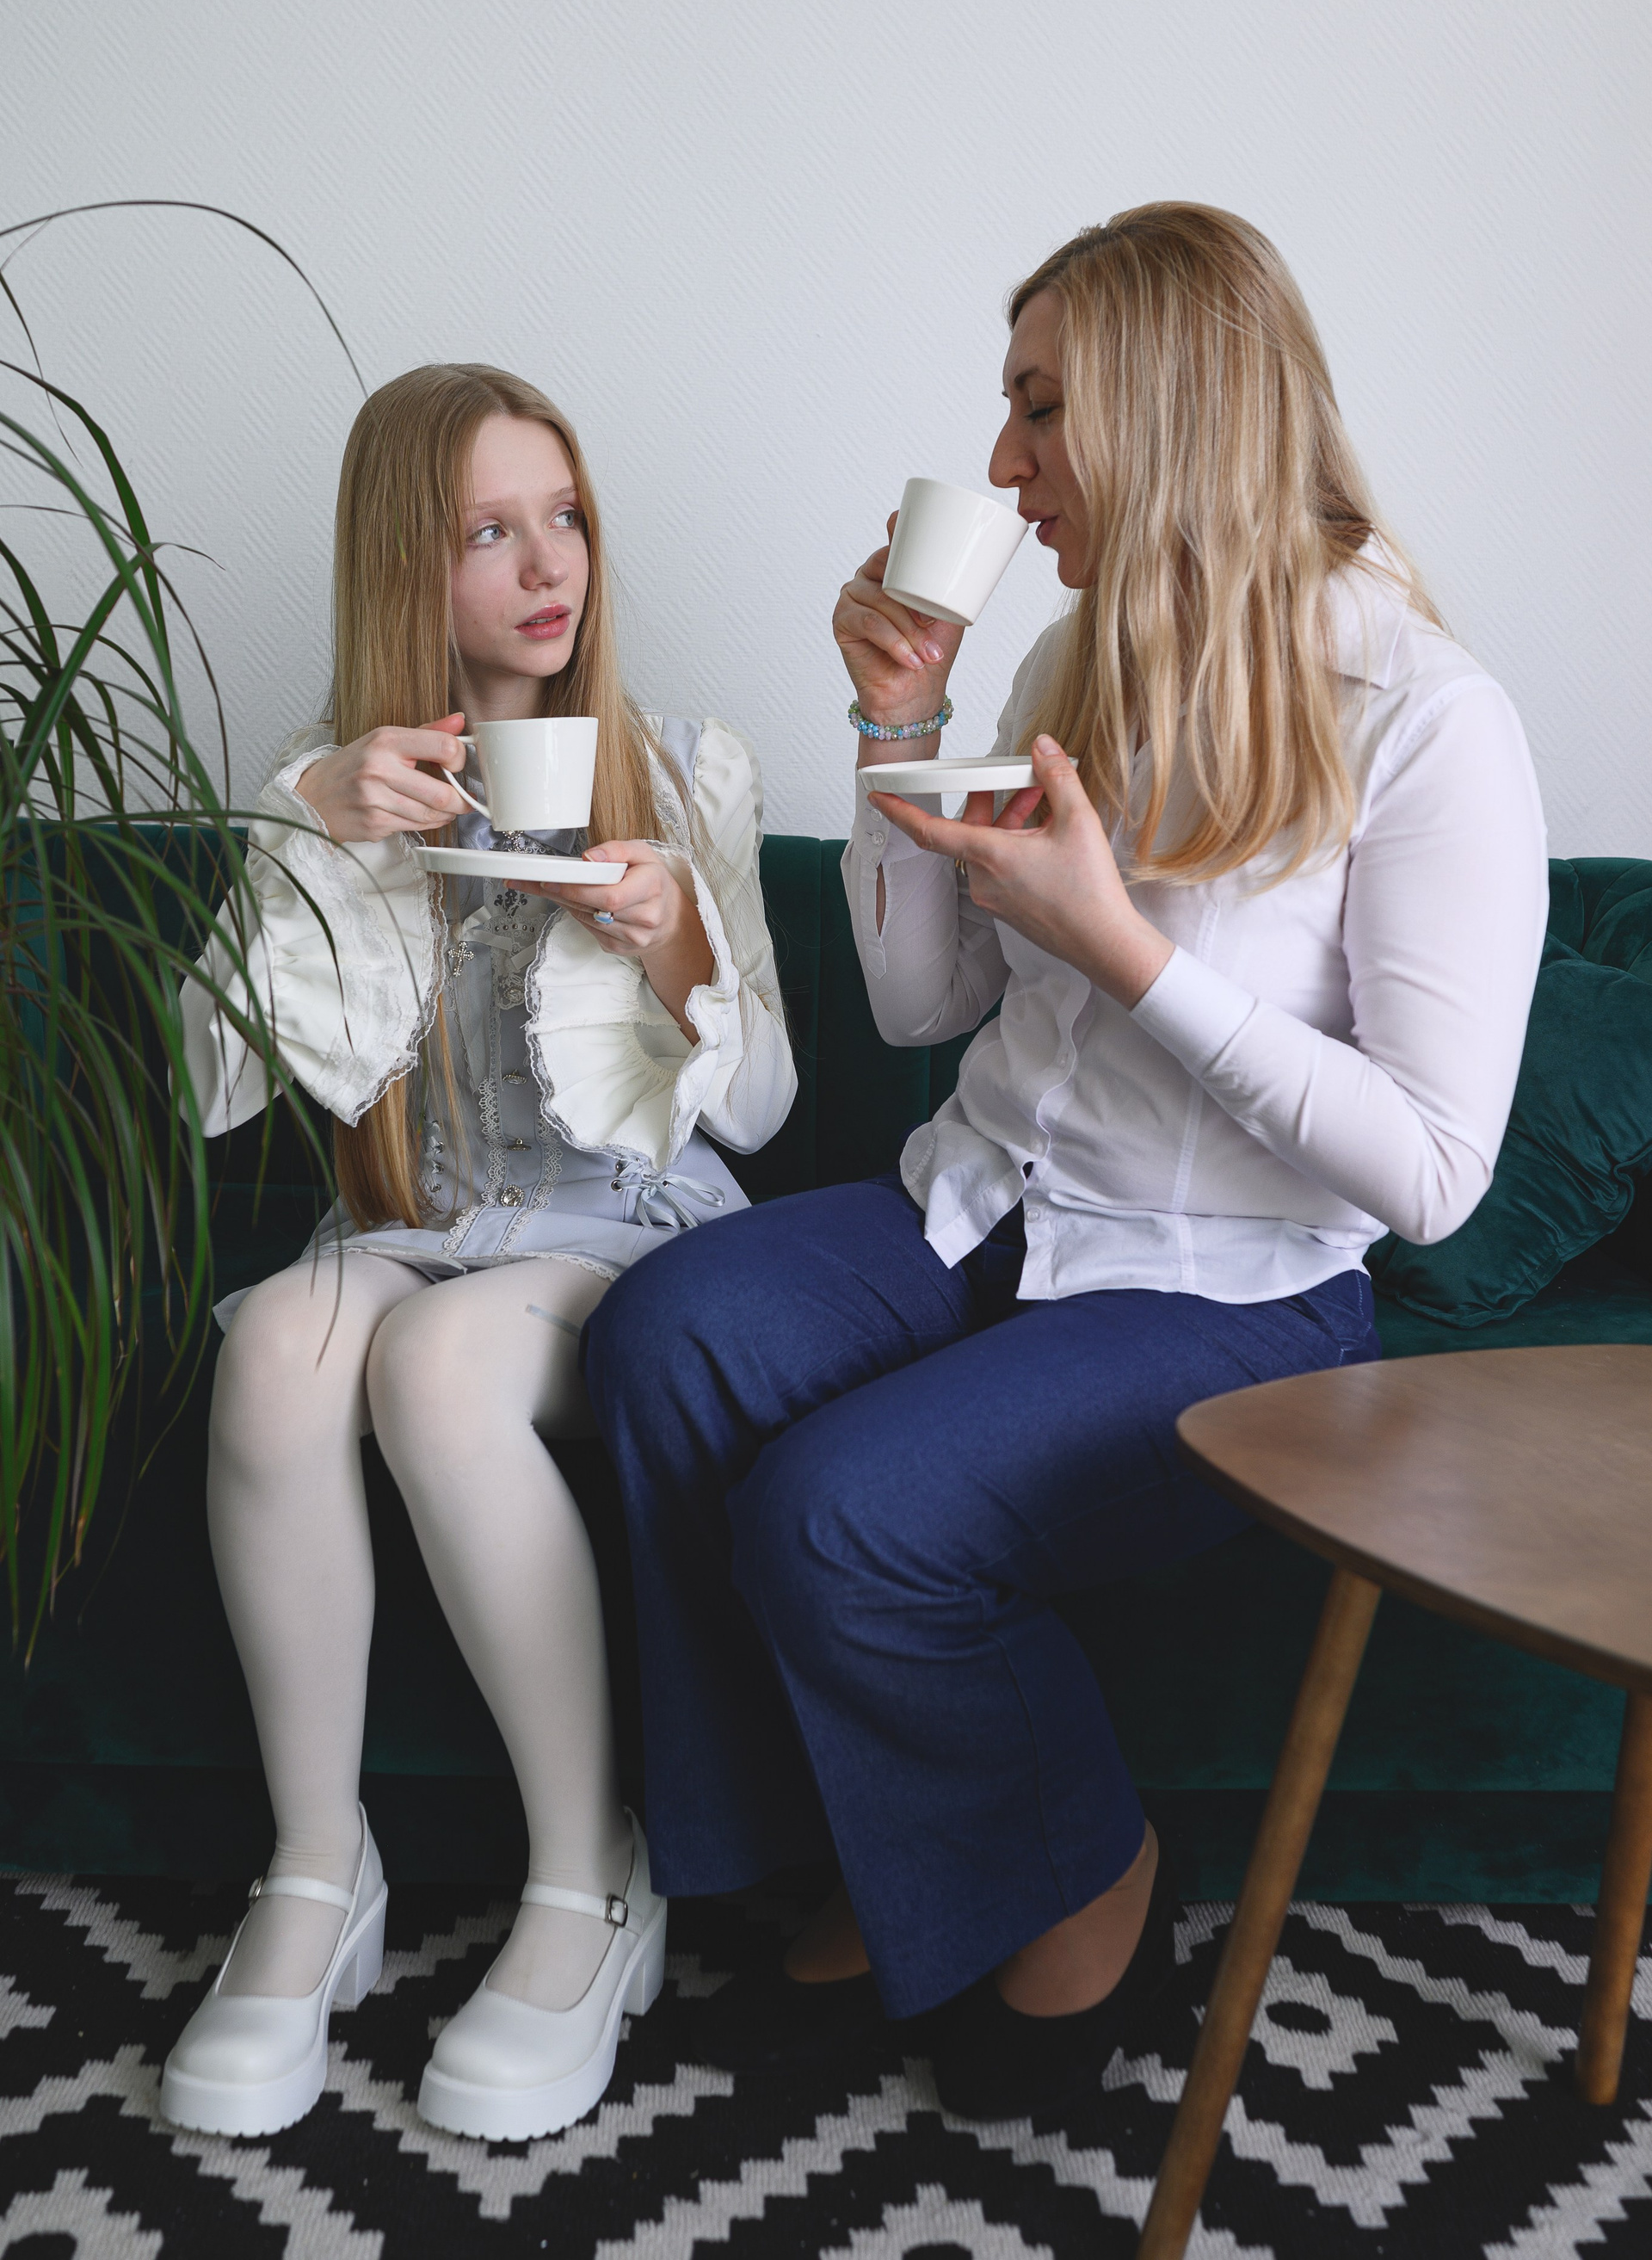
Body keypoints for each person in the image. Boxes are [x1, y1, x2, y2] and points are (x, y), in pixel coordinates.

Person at [583, 205, 1549, 2118]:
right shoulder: (1065, 667)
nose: (1003, 463)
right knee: (665, 1340)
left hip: (1230, 1296)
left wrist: (1128, 950)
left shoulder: (1429, 719)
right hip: (985, 1205)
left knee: (843, 1514)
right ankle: (850, 1856)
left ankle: (1091, 1876)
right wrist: (900, 724)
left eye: (1041, 409)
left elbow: (1434, 1173)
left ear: (1173, 410)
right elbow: (928, 1004)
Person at [159, 364, 795, 2142]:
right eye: (489, 530)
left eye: (564, 516)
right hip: (417, 1223)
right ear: (405, 568)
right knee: (275, 1348)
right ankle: (316, 1868)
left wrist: (675, 947)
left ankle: (591, 1874)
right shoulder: (342, 787)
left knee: (436, 1369)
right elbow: (205, 1087)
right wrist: (307, 822)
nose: (548, 563)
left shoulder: (681, 767)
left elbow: (761, 1109)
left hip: (623, 1236)